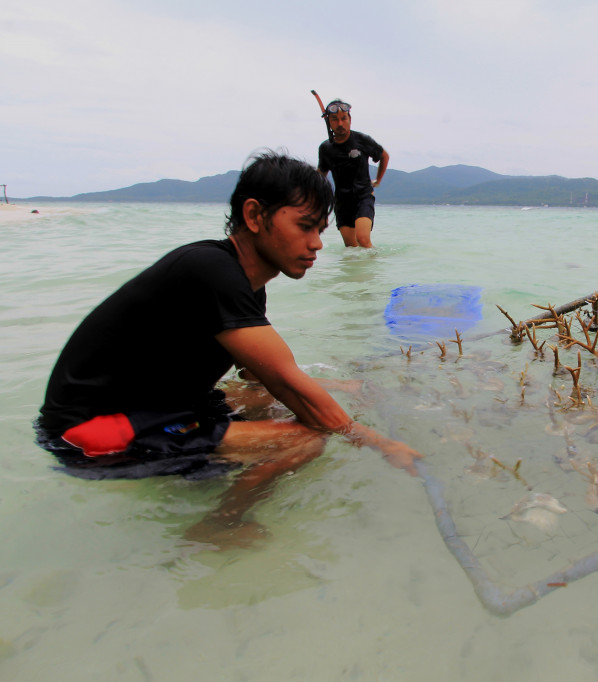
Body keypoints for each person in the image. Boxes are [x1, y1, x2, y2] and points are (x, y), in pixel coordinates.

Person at [36, 151, 419, 545]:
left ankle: (204, 473)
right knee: (306, 439)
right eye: (305, 227)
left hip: (143, 407)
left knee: (262, 400)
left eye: (321, 229)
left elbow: (261, 377)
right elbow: (287, 383)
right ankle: (221, 524)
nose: (318, 244)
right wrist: (378, 442)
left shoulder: (244, 283)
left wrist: (340, 389)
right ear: (254, 216)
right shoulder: (209, 270)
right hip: (87, 431)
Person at [317, 98, 389, 248]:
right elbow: (320, 175)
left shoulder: (362, 140)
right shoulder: (325, 148)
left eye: (344, 118)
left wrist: (378, 180)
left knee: (362, 239)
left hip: (363, 196)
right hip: (342, 202)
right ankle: (358, 272)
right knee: (351, 248)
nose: (340, 124)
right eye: (335, 119)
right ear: (329, 122)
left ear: (350, 119)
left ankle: (376, 268)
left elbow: (384, 156)